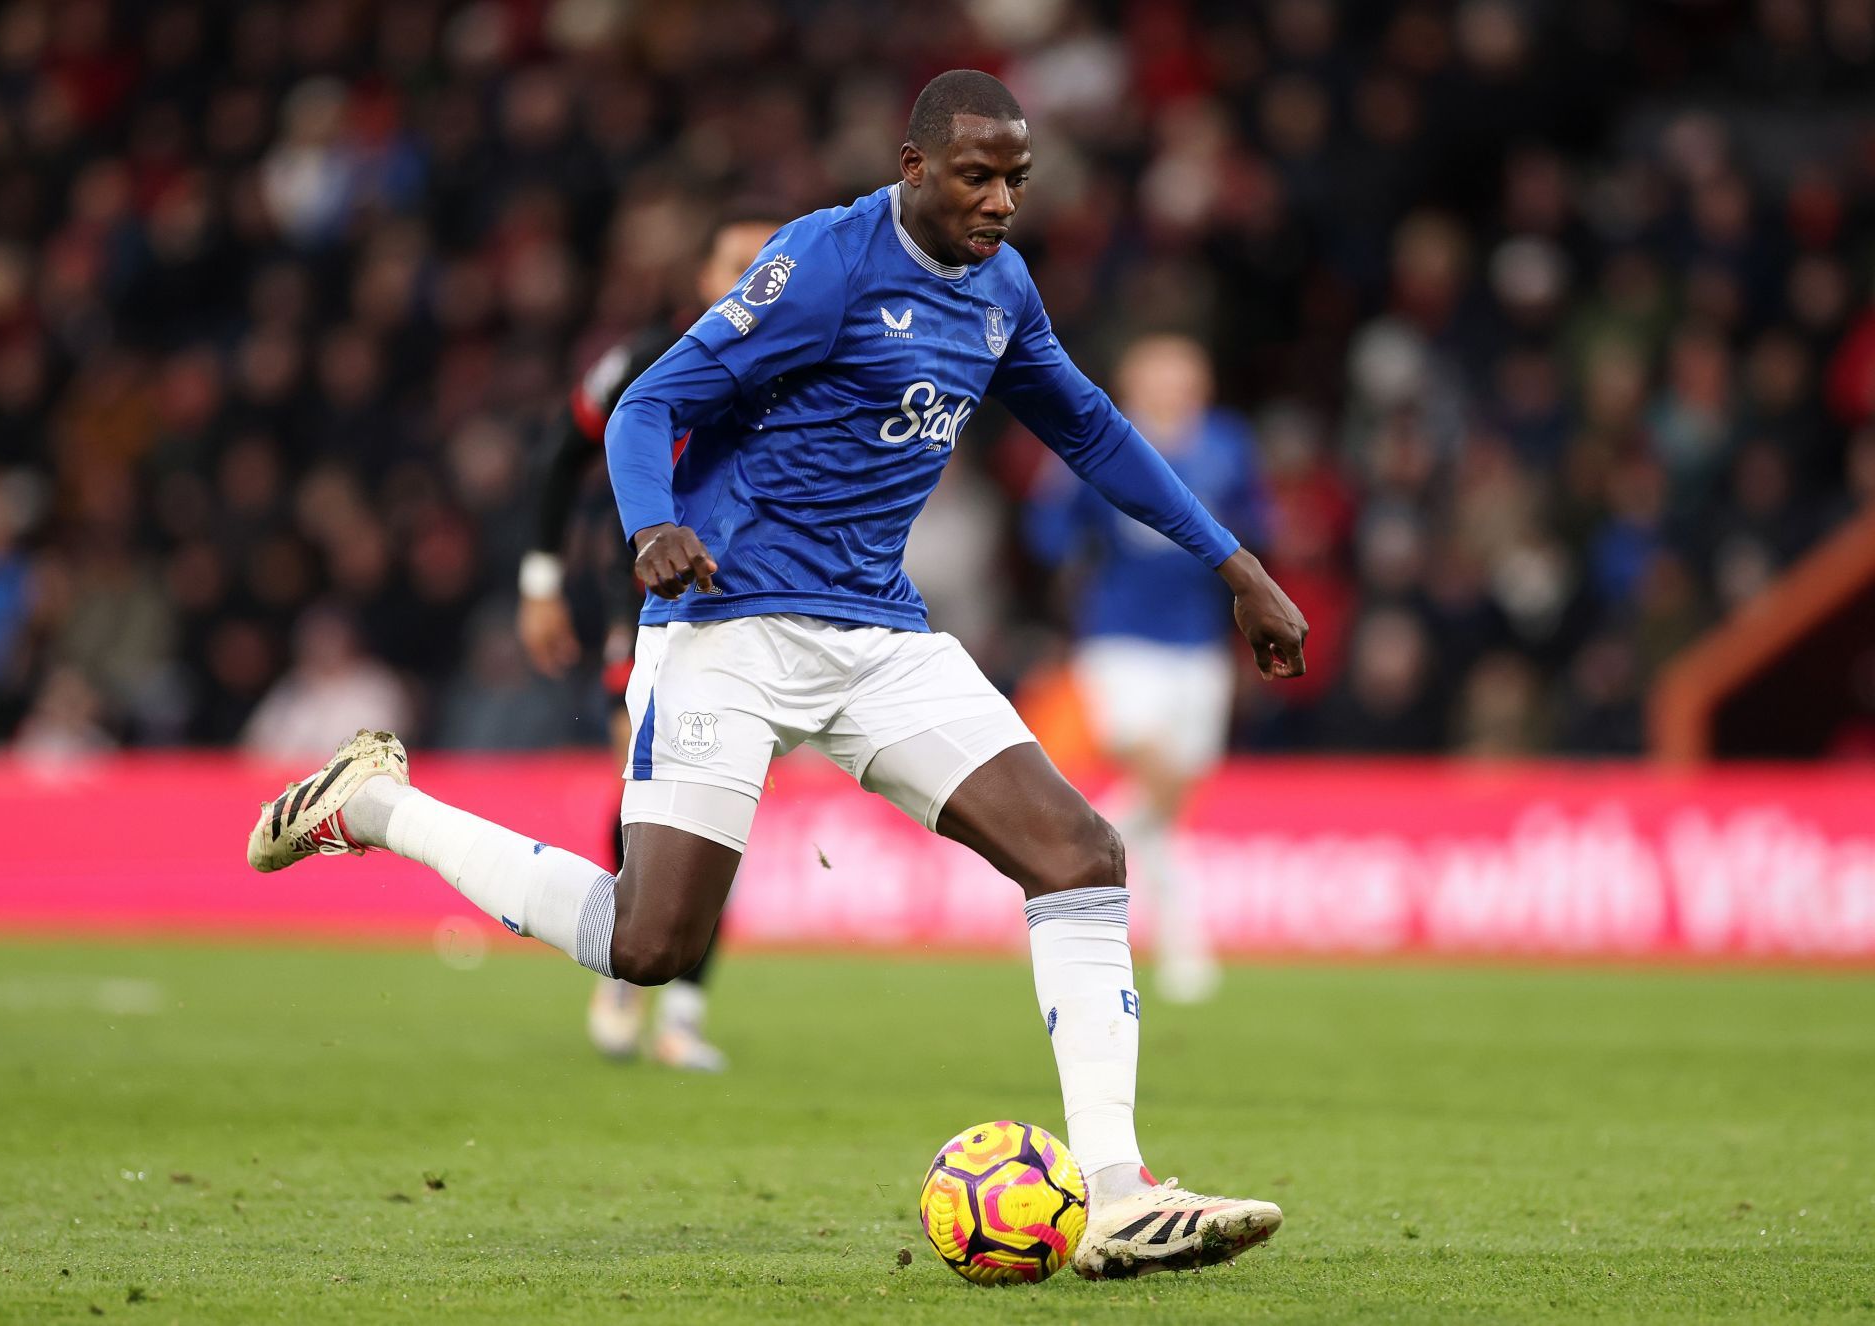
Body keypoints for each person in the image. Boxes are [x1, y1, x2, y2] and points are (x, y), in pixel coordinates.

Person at [247, 70, 1308, 1280]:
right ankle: (373, 806)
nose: (1002, 200)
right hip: (729, 626)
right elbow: (649, 406)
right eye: (977, 175)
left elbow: (1094, 432)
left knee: (1082, 856)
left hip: (877, 633)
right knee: (649, 943)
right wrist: (650, 527)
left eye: (1017, 178)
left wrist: (1237, 565)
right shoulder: (824, 264)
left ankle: (1116, 1192)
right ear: (913, 167)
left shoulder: (1001, 288)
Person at [516, 206, 784, 1074]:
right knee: (649, 785)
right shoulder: (646, 359)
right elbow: (565, 447)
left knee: (725, 799)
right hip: (648, 599)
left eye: (770, 263)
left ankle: (686, 1011)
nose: (756, 278)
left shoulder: (809, 364)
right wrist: (541, 579)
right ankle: (630, 959)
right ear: (705, 280)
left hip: (763, 605)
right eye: (738, 262)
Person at [1025, 333, 1273, 1004]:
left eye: (1181, 373)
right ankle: (1066, 862)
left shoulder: (1226, 445)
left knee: (1171, 803)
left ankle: (1175, 937)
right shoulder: (1104, 438)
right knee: (1159, 775)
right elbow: (1048, 534)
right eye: (1155, 374)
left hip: (1199, 645)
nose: (1169, 386)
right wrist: (1059, 499)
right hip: (1120, 639)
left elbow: (1259, 527)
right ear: (1131, 383)